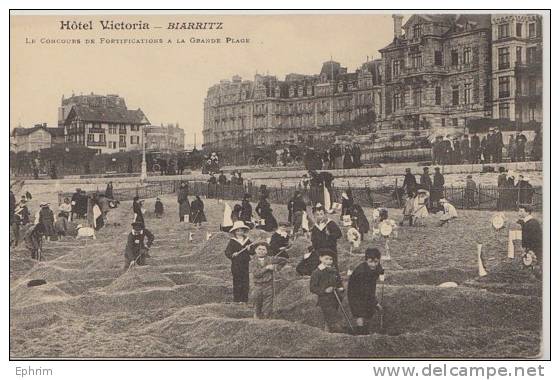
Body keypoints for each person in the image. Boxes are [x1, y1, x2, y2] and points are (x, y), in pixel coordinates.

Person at [347, 248, 384, 335]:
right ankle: (360, 331)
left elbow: (380, 269)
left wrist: (382, 273)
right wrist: (376, 303)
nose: (373, 264)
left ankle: (366, 329)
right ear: (366, 260)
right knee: (359, 312)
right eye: (370, 262)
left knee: (369, 310)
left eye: (376, 261)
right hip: (355, 293)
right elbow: (366, 292)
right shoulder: (361, 272)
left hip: (367, 290)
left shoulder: (376, 266)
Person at [309, 250, 345, 333]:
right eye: (326, 259)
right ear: (320, 258)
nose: (329, 261)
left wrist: (340, 287)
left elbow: (339, 282)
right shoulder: (317, 272)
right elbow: (312, 288)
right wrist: (324, 290)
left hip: (336, 299)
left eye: (331, 259)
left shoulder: (334, 270)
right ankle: (333, 333)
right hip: (325, 300)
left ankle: (328, 334)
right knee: (332, 318)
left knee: (330, 318)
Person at [250, 241, 288, 319]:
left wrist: (276, 267)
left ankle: (266, 321)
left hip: (268, 286)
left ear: (267, 251)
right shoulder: (252, 261)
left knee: (268, 307)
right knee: (257, 305)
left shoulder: (271, 259)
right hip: (257, 286)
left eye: (263, 249)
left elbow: (284, 260)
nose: (261, 251)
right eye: (259, 249)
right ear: (255, 250)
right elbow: (256, 273)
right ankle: (256, 322)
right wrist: (267, 268)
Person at [224, 221, 254, 303]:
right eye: (237, 230)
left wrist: (249, 249)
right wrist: (232, 254)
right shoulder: (232, 241)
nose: (239, 232)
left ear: (244, 231)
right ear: (234, 232)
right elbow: (227, 252)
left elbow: (253, 251)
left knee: (245, 280)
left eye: (241, 230)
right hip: (236, 264)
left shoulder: (247, 241)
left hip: (245, 263)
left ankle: (244, 299)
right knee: (237, 280)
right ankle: (237, 300)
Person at [310, 204, 342, 269]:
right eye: (317, 215)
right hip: (320, 250)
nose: (319, 216)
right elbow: (313, 239)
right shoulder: (315, 227)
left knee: (331, 266)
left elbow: (339, 234)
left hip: (330, 249)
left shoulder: (330, 223)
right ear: (314, 216)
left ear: (325, 214)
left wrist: (330, 235)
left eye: (321, 214)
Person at [518, 205, 542, 277]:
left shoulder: (532, 223)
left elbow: (534, 238)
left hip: (534, 248)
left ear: (527, 212)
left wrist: (528, 249)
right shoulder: (525, 222)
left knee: (533, 263)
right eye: (519, 210)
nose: (519, 213)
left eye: (521, 211)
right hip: (528, 248)